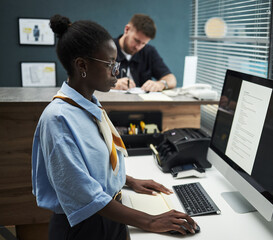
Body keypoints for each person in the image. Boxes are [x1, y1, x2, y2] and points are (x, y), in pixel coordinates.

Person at [31, 14, 196, 240]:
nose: (116, 72)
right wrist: (151, 220)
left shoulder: (90, 105)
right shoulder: (58, 119)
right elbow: (84, 195)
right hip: (84, 227)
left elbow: (93, 165)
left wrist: (128, 181)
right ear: (82, 65)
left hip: (111, 214)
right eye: (110, 65)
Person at [113, 14, 176, 92]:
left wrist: (160, 84)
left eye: (143, 43)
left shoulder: (149, 51)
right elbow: (93, 78)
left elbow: (171, 79)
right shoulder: (107, 49)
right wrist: (112, 84)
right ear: (127, 29)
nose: (138, 47)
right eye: (136, 40)